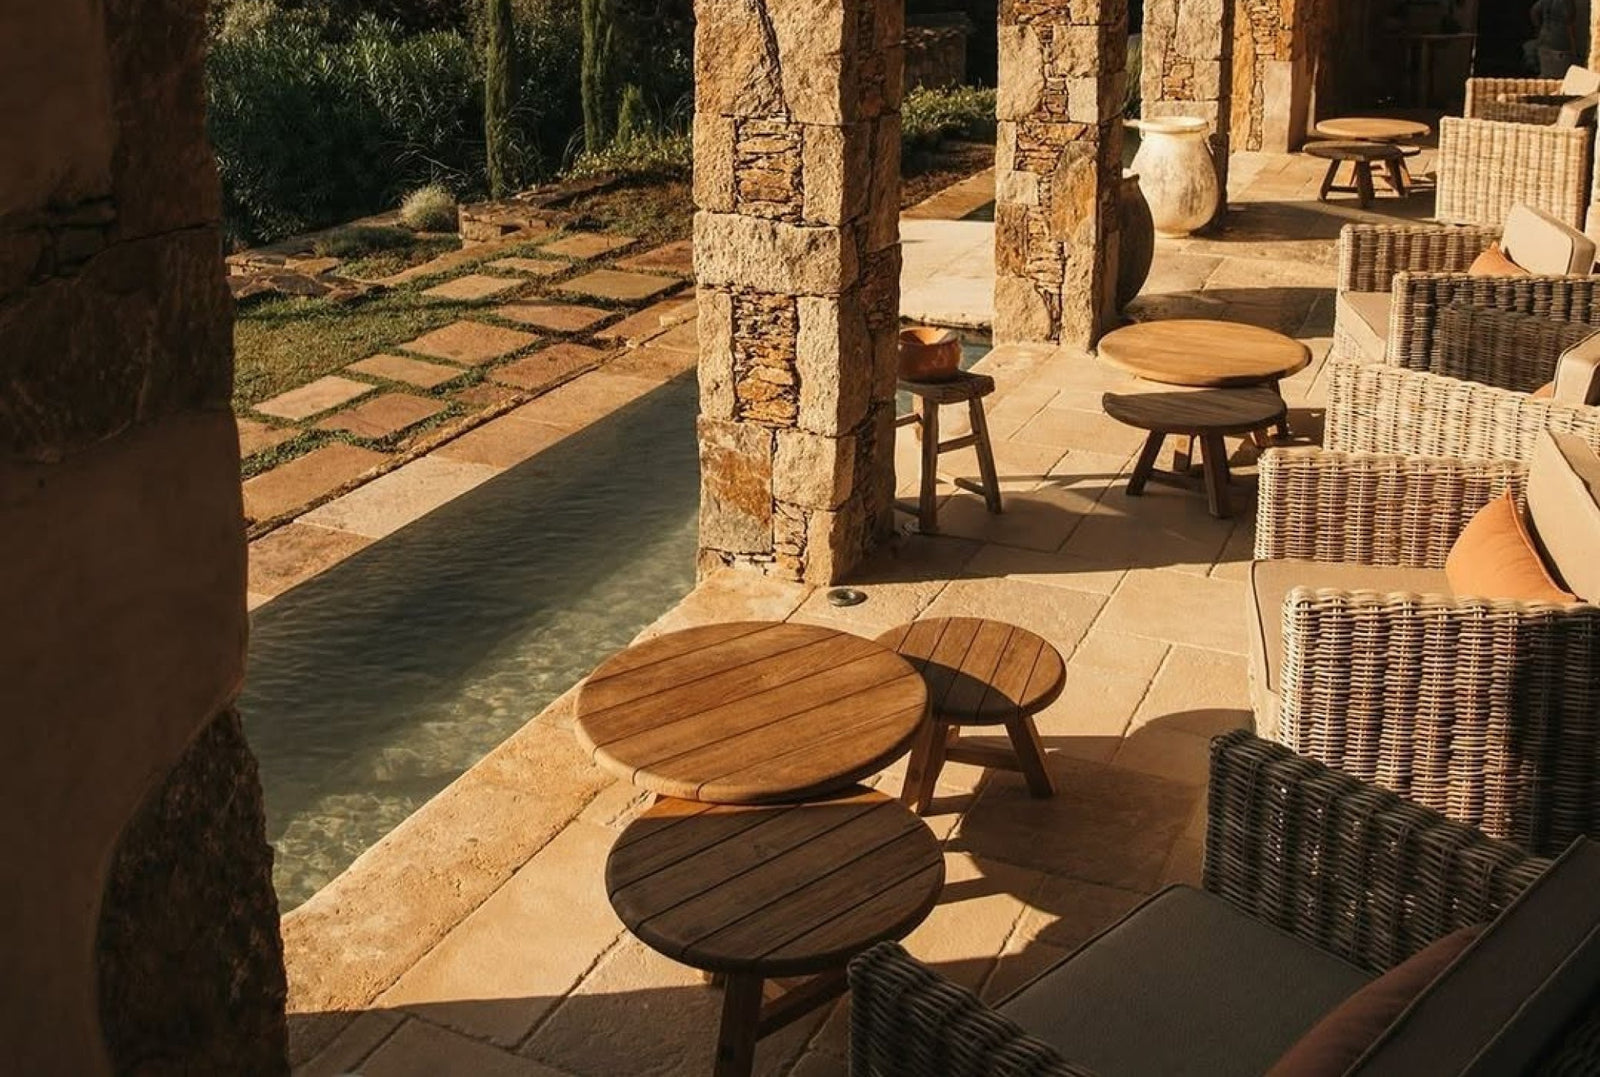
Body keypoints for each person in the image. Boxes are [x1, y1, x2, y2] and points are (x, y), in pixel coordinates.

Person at [1531, 0, 1583, 76]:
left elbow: (1534, 12)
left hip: (1545, 40)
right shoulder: (1567, 2)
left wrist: (1541, 27)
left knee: (1547, 76)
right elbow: (1570, 20)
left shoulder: (1544, 2)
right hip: (1560, 43)